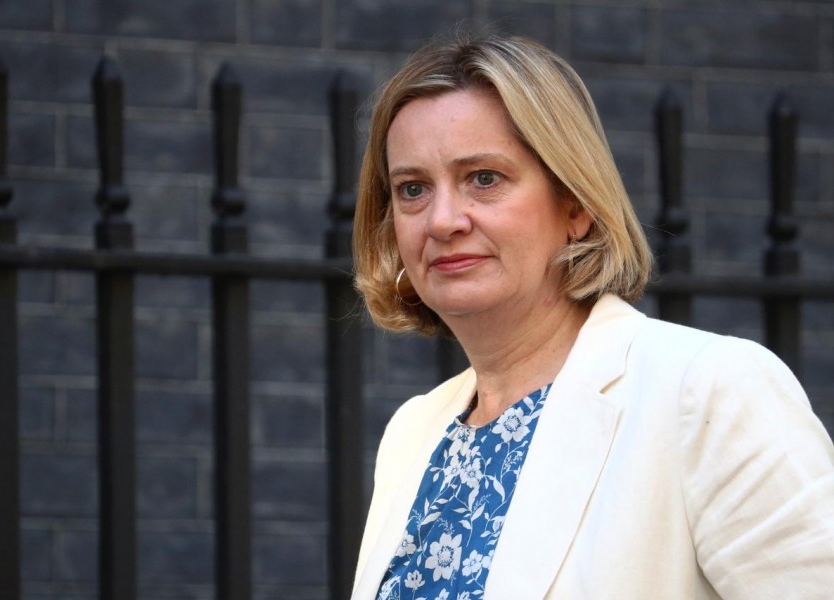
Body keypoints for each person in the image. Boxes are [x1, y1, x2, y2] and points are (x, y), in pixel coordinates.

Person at [349, 32, 834, 600]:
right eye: (412, 189)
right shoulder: (413, 431)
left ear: (575, 204)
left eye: (484, 178)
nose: (442, 220)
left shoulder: (709, 391)